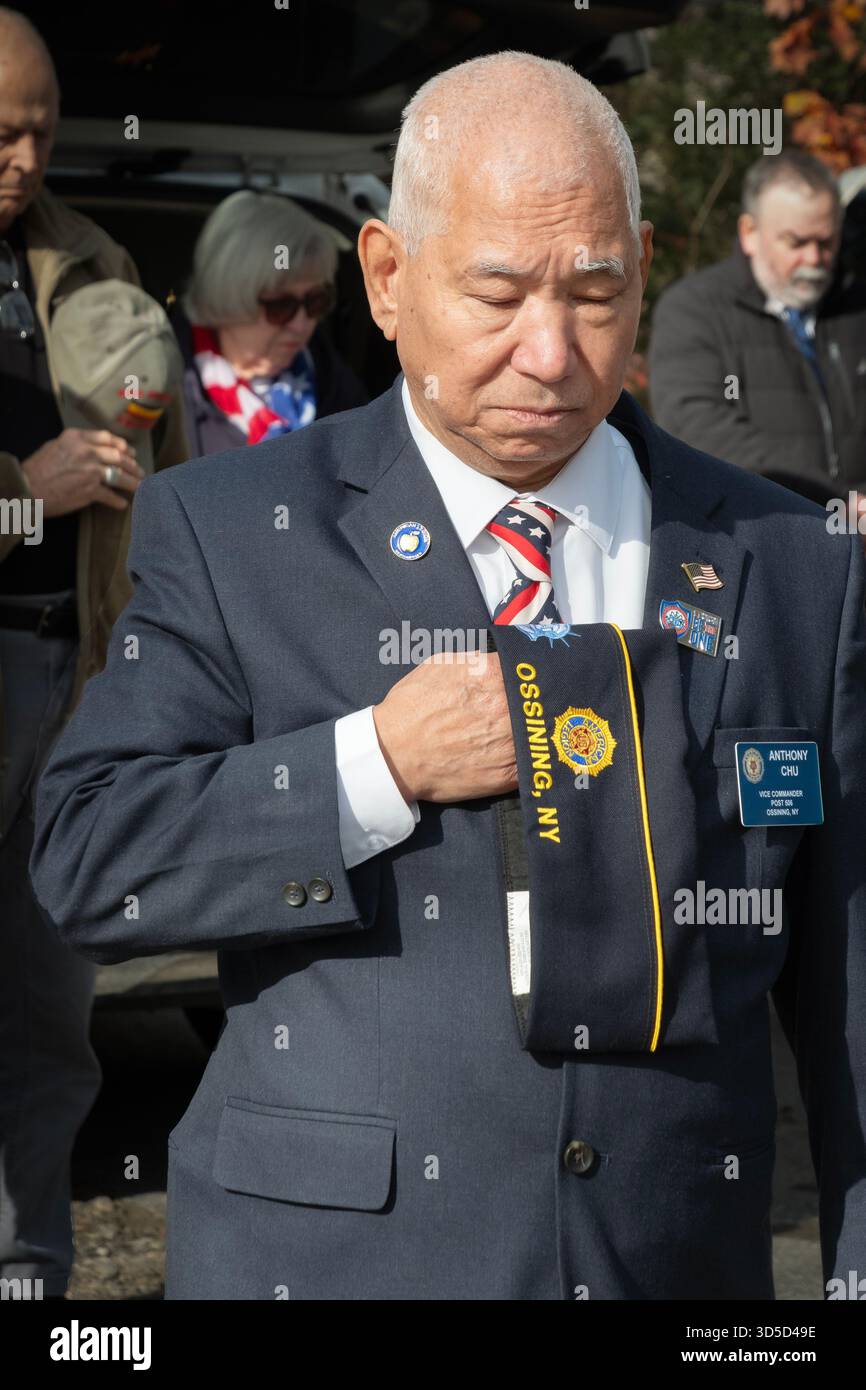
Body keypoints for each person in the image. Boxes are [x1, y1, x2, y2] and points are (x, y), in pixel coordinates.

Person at [30, 51, 866, 1300]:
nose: (549, 352)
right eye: (497, 294)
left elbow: (846, 995)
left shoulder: (789, 566)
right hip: (338, 1263)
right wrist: (370, 764)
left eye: (592, 291)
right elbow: (92, 858)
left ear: (639, 266)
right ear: (386, 275)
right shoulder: (232, 529)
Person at [0, 8, 188, 1300]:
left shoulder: (88, 257)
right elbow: (43, 495)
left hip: (69, 680)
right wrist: (26, 493)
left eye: (42, 127)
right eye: (0, 128)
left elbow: (165, 480)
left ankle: (28, 1267)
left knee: (50, 1010)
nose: (24, 154)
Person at [648, 150, 866, 508]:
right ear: (750, 233)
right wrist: (837, 502)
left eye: (826, 242)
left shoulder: (856, 307)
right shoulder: (694, 309)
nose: (814, 259)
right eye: (796, 243)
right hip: (763, 533)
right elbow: (697, 428)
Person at [172, 191, 367, 456]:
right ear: (227, 295)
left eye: (315, 301)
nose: (301, 325)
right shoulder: (173, 389)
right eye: (280, 305)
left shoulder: (331, 377)